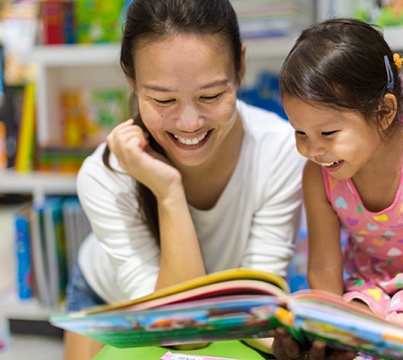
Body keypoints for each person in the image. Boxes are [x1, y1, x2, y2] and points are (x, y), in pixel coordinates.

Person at [63, 0, 305, 359]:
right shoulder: (105, 176)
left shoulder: (281, 151)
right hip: (109, 302)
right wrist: (168, 192)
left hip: (230, 311)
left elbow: (254, 308)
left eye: (211, 95)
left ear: (240, 65)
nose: (189, 122)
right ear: (131, 79)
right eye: (163, 99)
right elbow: (179, 330)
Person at [272, 17, 403, 360]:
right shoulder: (318, 174)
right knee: (344, 340)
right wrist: (324, 332)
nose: (313, 150)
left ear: (384, 111)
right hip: (368, 290)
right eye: (300, 133)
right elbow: (326, 267)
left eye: (328, 133)